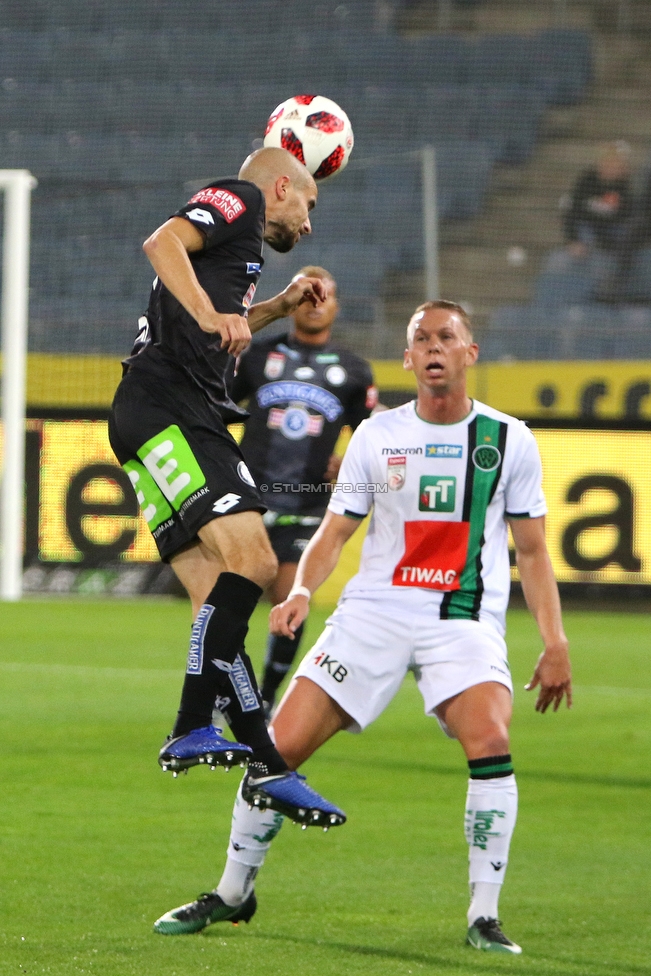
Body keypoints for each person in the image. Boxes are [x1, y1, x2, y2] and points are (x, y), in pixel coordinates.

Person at [153, 299, 573, 948]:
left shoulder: (507, 438)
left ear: (469, 354)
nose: (433, 347)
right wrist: (297, 591)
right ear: (407, 358)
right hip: (372, 614)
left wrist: (554, 641)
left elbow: (534, 550)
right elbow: (335, 531)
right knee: (277, 750)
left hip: (458, 620)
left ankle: (482, 917)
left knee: (489, 740)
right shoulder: (377, 435)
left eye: (446, 336)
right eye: (420, 338)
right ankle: (233, 893)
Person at [108, 147, 346, 834]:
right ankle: (189, 724)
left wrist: (268, 307)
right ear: (280, 187)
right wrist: (217, 320)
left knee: (217, 605)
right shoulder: (238, 199)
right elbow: (162, 243)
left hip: (144, 414)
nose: (307, 225)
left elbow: (210, 311)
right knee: (259, 565)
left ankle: (267, 763)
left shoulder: (240, 252)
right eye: (308, 205)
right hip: (175, 409)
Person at [230, 265, 377, 714]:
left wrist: (349, 462)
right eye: (307, 294)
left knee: (290, 600)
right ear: (292, 300)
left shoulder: (354, 371)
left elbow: (373, 437)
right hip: (249, 501)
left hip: (307, 502)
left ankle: (269, 696)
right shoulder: (257, 356)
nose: (315, 303)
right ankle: (229, 690)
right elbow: (217, 407)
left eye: (324, 295)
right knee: (229, 607)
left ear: (336, 306)